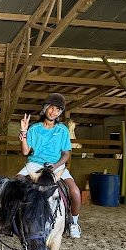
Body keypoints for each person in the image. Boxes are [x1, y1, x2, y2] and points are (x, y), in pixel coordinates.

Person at [17, 92, 82, 238]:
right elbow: (25, 152)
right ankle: (14, 219)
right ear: (45, 108)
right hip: (35, 164)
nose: (54, 112)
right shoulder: (34, 128)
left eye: (58, 110)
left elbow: (66, 154)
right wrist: (24, 133)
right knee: (16, 182)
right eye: (52, 108)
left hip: (56, 166)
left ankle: (74, 222)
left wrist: (56, 165)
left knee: (75, 192)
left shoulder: (63, 130)